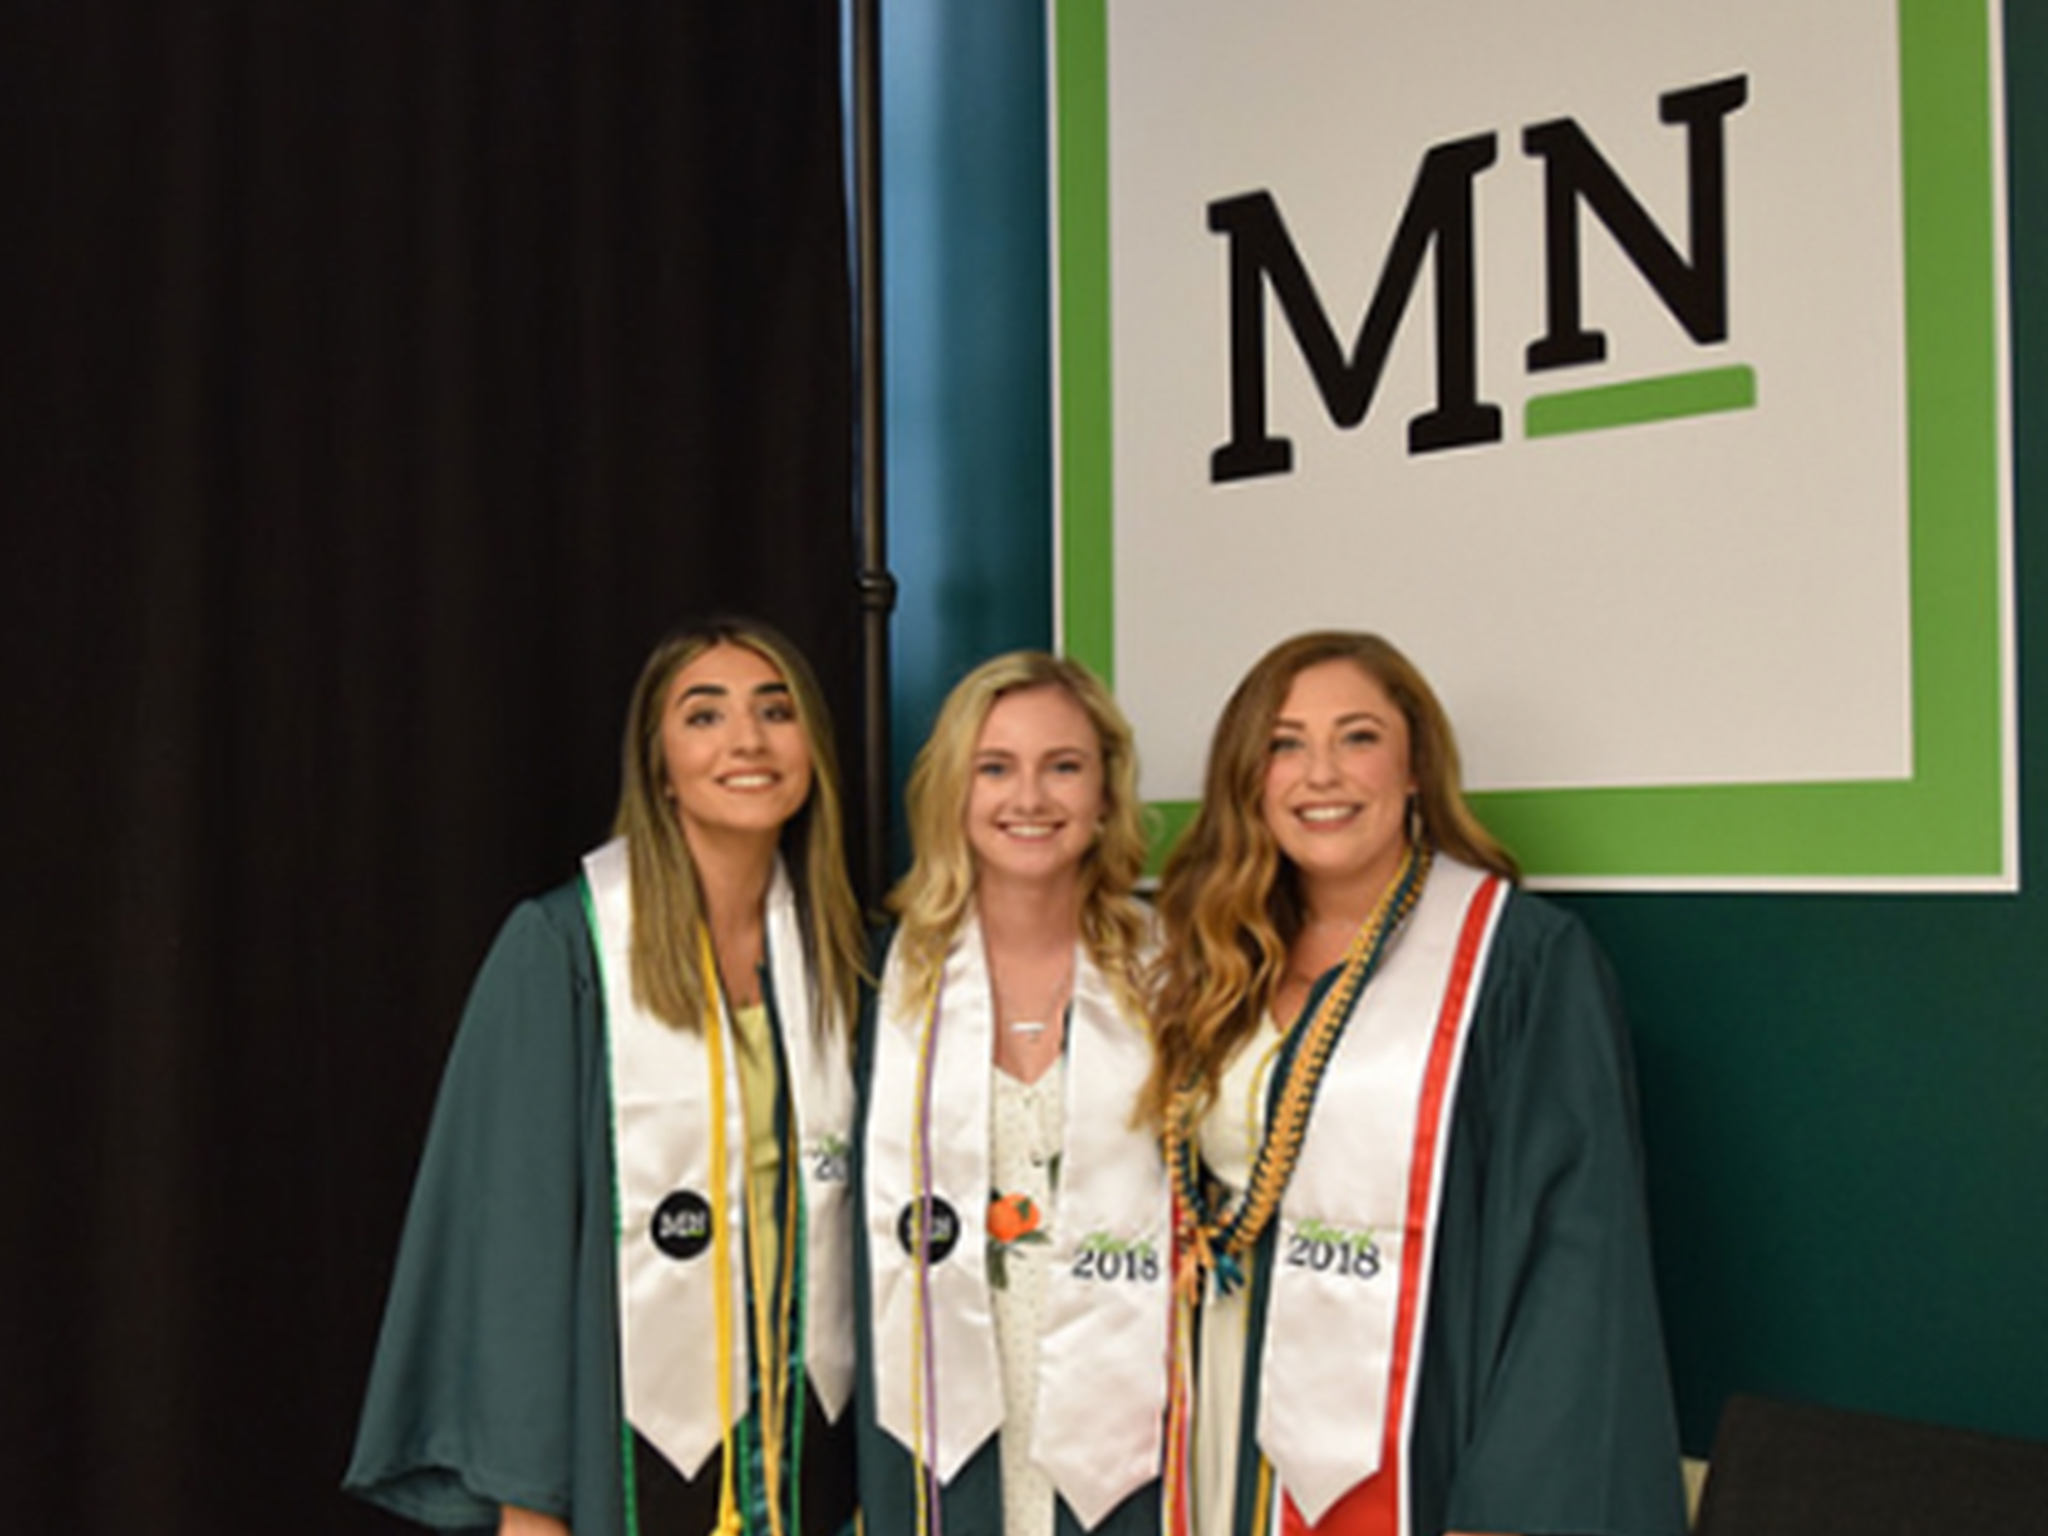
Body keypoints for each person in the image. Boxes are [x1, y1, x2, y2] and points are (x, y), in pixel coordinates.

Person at [1142, 631, 1686, 1536]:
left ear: (1414, 770)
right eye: (1285, 744)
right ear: (1250, 779)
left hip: (1416, 1417)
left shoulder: (1518, 964)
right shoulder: (1217, 954)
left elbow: (1576, 1265)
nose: (1321, 774)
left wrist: (1509, 1503)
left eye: (1357, 737)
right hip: (1226, 1400)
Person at [346, 618, 866, 1536]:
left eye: (775, 711)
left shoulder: (846, 964)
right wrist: (528, 1506)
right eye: (704, 716)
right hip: (629, 1458)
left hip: (807, 1460)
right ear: (660, 768)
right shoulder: (564, 952)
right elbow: (513, 1254)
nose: (747, 740)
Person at [855, 652, 1172, 1536]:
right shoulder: (876, 987)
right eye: (995, 768)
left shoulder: (1178, 977)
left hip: (1130, 1423)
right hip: (941, 1418)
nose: (1029, 797)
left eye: (1063, 767)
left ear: (1105, 792)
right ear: (953, 792)